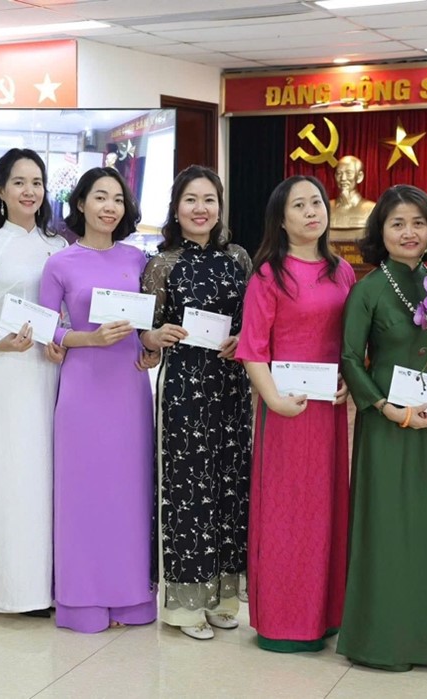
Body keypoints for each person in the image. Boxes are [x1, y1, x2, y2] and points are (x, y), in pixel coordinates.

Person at [337, 184, 427, 671]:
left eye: (418, 223)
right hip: (388, 428)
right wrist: (386, 408)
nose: (409, 232)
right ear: (382, 232)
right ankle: (382, 640)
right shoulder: (369, 290)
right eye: (397, 223)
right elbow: (349, 358)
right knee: (388, 530)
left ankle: (426, 635)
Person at [235, 176, 354, 652]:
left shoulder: (342, 271)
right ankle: (284, 622)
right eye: (299, 206)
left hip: (328, 412)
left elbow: (348, 341)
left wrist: (349, 379)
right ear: (281, 220)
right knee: (286, 514)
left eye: (316, 203)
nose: (311, 212)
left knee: (327, 510)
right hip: (285, 411)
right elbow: (252, 349)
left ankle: (325, 615)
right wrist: (274, 400)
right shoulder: (269, 275)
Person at [38, 167, 159, 633]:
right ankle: (82, 601)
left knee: (129, 494)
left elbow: (147, 323)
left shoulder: (138, 259)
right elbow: (46, 327)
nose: (110, 206)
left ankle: (132, 599)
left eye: (118, 199)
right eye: (100, 197)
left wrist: (151, 348)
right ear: (81, 203)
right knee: (82, 495)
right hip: (82, 391)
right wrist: (87, 339)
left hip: (129, 389)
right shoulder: (60, 263)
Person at [140, 165, 253, 641]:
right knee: (187, 488)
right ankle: (186, 607)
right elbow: (144, 331)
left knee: (230, 486)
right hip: (185, 388)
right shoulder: (161, 263)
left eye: (209, 199)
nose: (200, 208)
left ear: (220, 207)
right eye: (191, 199)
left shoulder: (239, 258)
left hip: (232, 386)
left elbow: (254, 321)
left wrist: (243, 339)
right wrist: (154, 336)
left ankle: (223, 599)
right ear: (176, 207)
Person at [0, 148, 67, 616]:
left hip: (51, 367)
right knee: (13, 472)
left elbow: (66, 312)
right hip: (9, 371)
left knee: (50, 472)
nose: (30, 191)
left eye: (37, 182)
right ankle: (13, 590)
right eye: (20, 182)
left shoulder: (58, 247)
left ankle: (52, 586)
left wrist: (63, 341)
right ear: (2, 191)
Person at [329, 155, 377, 237]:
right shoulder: (326, 207)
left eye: (349, 173)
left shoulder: (372, 209)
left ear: (359, 177)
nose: (343, 178)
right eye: (339, 174)